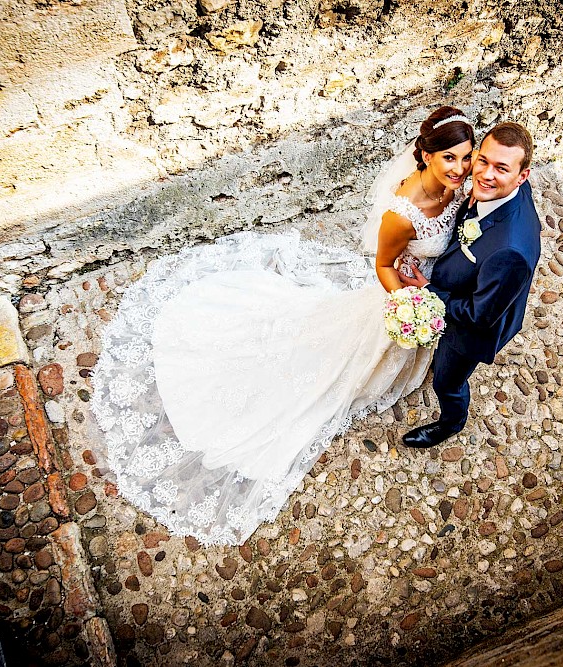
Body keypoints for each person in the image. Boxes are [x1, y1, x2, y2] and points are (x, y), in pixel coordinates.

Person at [90, 107, 474, 545]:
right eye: (449, 158)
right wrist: (407, 299)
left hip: (425, 283)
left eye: (466, 157)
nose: (460, 168)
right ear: (425, 155)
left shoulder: (458, 189)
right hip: (400, 291)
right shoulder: (402, 214)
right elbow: (383, 265)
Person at [398, 122, 541, 448]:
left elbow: (479, 316)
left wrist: (427, 289)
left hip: (469, 332)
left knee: (447, 381)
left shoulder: (511, 251)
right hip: (473, 280)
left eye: (501, 168)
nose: (486, 175)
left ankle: (450, 423)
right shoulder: (502, 193)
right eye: (483, 160)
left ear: (522, 176)